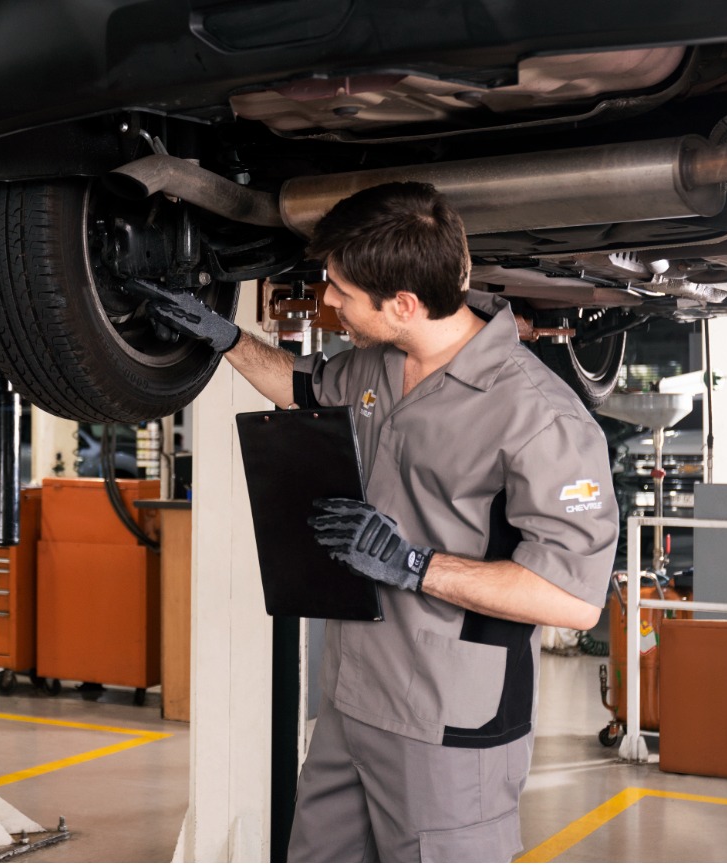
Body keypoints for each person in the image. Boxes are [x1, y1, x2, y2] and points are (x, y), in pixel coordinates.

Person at [141, 181, 618, 862]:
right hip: (350, 701)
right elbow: (303, 387)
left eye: (337, 288)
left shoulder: (539, 415)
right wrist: (223, 339)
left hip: (449, 721)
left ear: (402, 303)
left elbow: (571, 598)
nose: (326, 299)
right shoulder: (377, 365)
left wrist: (416, 565)